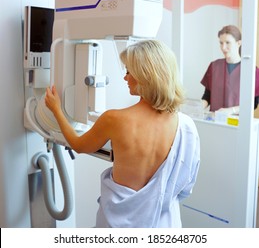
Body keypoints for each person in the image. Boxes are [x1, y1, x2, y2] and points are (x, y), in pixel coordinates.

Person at [45, 39, 200, 228]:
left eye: (128, 72)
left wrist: (57, 110)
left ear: (145, 75)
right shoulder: (187, 126)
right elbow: (186, 184)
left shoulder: (115, 120)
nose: (125, 78)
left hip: (118, 224)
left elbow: (78, 145)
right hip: (164, 223)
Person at [201, 25, 259, 113]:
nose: (223, 47)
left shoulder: (251, 71)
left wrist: (231, 110)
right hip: (214, 120)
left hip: (237, 123)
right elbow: (207, 96)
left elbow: (253, 103)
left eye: (228, 42)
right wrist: (197, 107)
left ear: (239, 43)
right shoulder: (214, 66)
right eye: (221, 43)